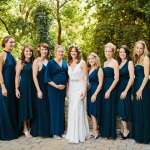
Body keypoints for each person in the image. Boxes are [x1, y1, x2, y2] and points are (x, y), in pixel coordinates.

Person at [65, 45, 89, 143]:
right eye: (71, 51)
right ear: (70, 53)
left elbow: (85, 78)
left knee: (77, 109)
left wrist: (84, 90)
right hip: (71, 88)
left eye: (75, 51)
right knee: (72, 110)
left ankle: (79, 135)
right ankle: (72, 134)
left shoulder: (82, 63)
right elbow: (68, 79)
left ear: (78, 52)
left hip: (80, 87)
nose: (73, 53)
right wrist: (67, 91)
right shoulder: (69, 63)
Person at [44, 45, 68, 140]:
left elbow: (68, 78)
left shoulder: (65, 63)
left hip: (62, 90)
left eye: (62, 51)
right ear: (55, 52)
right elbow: (47, 78)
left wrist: (66, 90)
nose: (60, 53)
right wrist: (56, 86)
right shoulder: (50, 63)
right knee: (54, 109)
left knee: (61, 109)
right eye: (59, 51)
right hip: (53, 89)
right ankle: (55, 132)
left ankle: (61, 131)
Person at [131, 40, 150, 144]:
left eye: (140, 48)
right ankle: (137, 134)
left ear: (144, 49)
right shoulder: (136, 58)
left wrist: (140, 90)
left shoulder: (146, 59)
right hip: (137, 85)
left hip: (143, 86)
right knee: (137, 110)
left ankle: (144, 136)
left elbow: (146, 76)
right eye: (137, 48)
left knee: (143, 110)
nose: (138, 50)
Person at [0, 35, 18, 140]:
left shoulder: (11, 54)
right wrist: (3, 87)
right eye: (11, 42)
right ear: (5, 42)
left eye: (14, 42)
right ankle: (6, 132)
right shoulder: (2, 55)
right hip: (5, 85)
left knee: (11, 107)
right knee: (5, 108)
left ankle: (13, 129)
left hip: (12, 86)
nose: (13, 44)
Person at [15, 45, 35, 138]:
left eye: (30, 51)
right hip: (24, 87)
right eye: (26, 51)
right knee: (24, 107)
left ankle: (29, 126)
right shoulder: (21, 62)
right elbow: (17, 76)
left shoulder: (33, 62)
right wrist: (16, 89)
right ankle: (25, 128)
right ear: (23, 52)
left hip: (32, 87)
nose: (28, 53)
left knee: (30, 106)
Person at [30, 43, 50, 137]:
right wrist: (38, 90)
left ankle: (47, 129)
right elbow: (34, 77)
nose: (44, 51)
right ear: (39, 50)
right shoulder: (36, 62)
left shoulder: (48, 61)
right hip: (40, 88)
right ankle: (40, 131)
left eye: (46, 49)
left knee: (47, 109)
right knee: (40, 109)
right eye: (42, 49)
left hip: (48, 88)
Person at [100, 43, 119, 140]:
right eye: (106, 51)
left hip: (111, 88)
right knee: (105, 110)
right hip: (104, 87)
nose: (107, 53)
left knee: (110, 109)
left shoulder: (114, 62)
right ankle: (105, 132)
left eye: (109, 51)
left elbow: (117, 78)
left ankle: (110, 133)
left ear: (112, 52)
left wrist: (108, 91)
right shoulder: (105, 63)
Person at [116, 45, 134, 140]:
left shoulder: (129, 63)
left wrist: (126, 91)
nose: (122, 54)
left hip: (125, 88)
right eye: (120, 52)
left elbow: (131, 78)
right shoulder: (118, 63)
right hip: (119, 88)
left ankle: (126, 131)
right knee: (120, 109)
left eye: (124, 52)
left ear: (127, 53)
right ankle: (123, 130)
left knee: (123, 109)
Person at [87, 52, 103, 139]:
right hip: (89, 92)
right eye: (89, 59)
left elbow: (100, 84)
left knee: (93, 112)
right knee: (90, 111)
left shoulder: (99, 69)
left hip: (96, 92)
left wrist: (95, 94)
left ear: (96, 59)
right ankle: (95, 130)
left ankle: (95, 130)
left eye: (92, 58)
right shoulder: (89, 70)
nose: (90, 60)